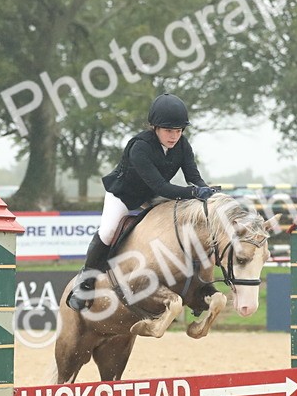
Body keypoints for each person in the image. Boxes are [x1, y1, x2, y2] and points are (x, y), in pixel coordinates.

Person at [66, 93, 216, 311]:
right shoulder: (140, 147)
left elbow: (193, 176)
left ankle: (191, 282)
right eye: (168, 130)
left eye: (178, 130)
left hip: (151, 195)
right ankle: (85, 282)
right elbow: (162, 187)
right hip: (124, 196)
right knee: (108, 232)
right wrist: (194, 192)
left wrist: (204, 189)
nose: (174, 136)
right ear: (154, 127)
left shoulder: (183, 146)